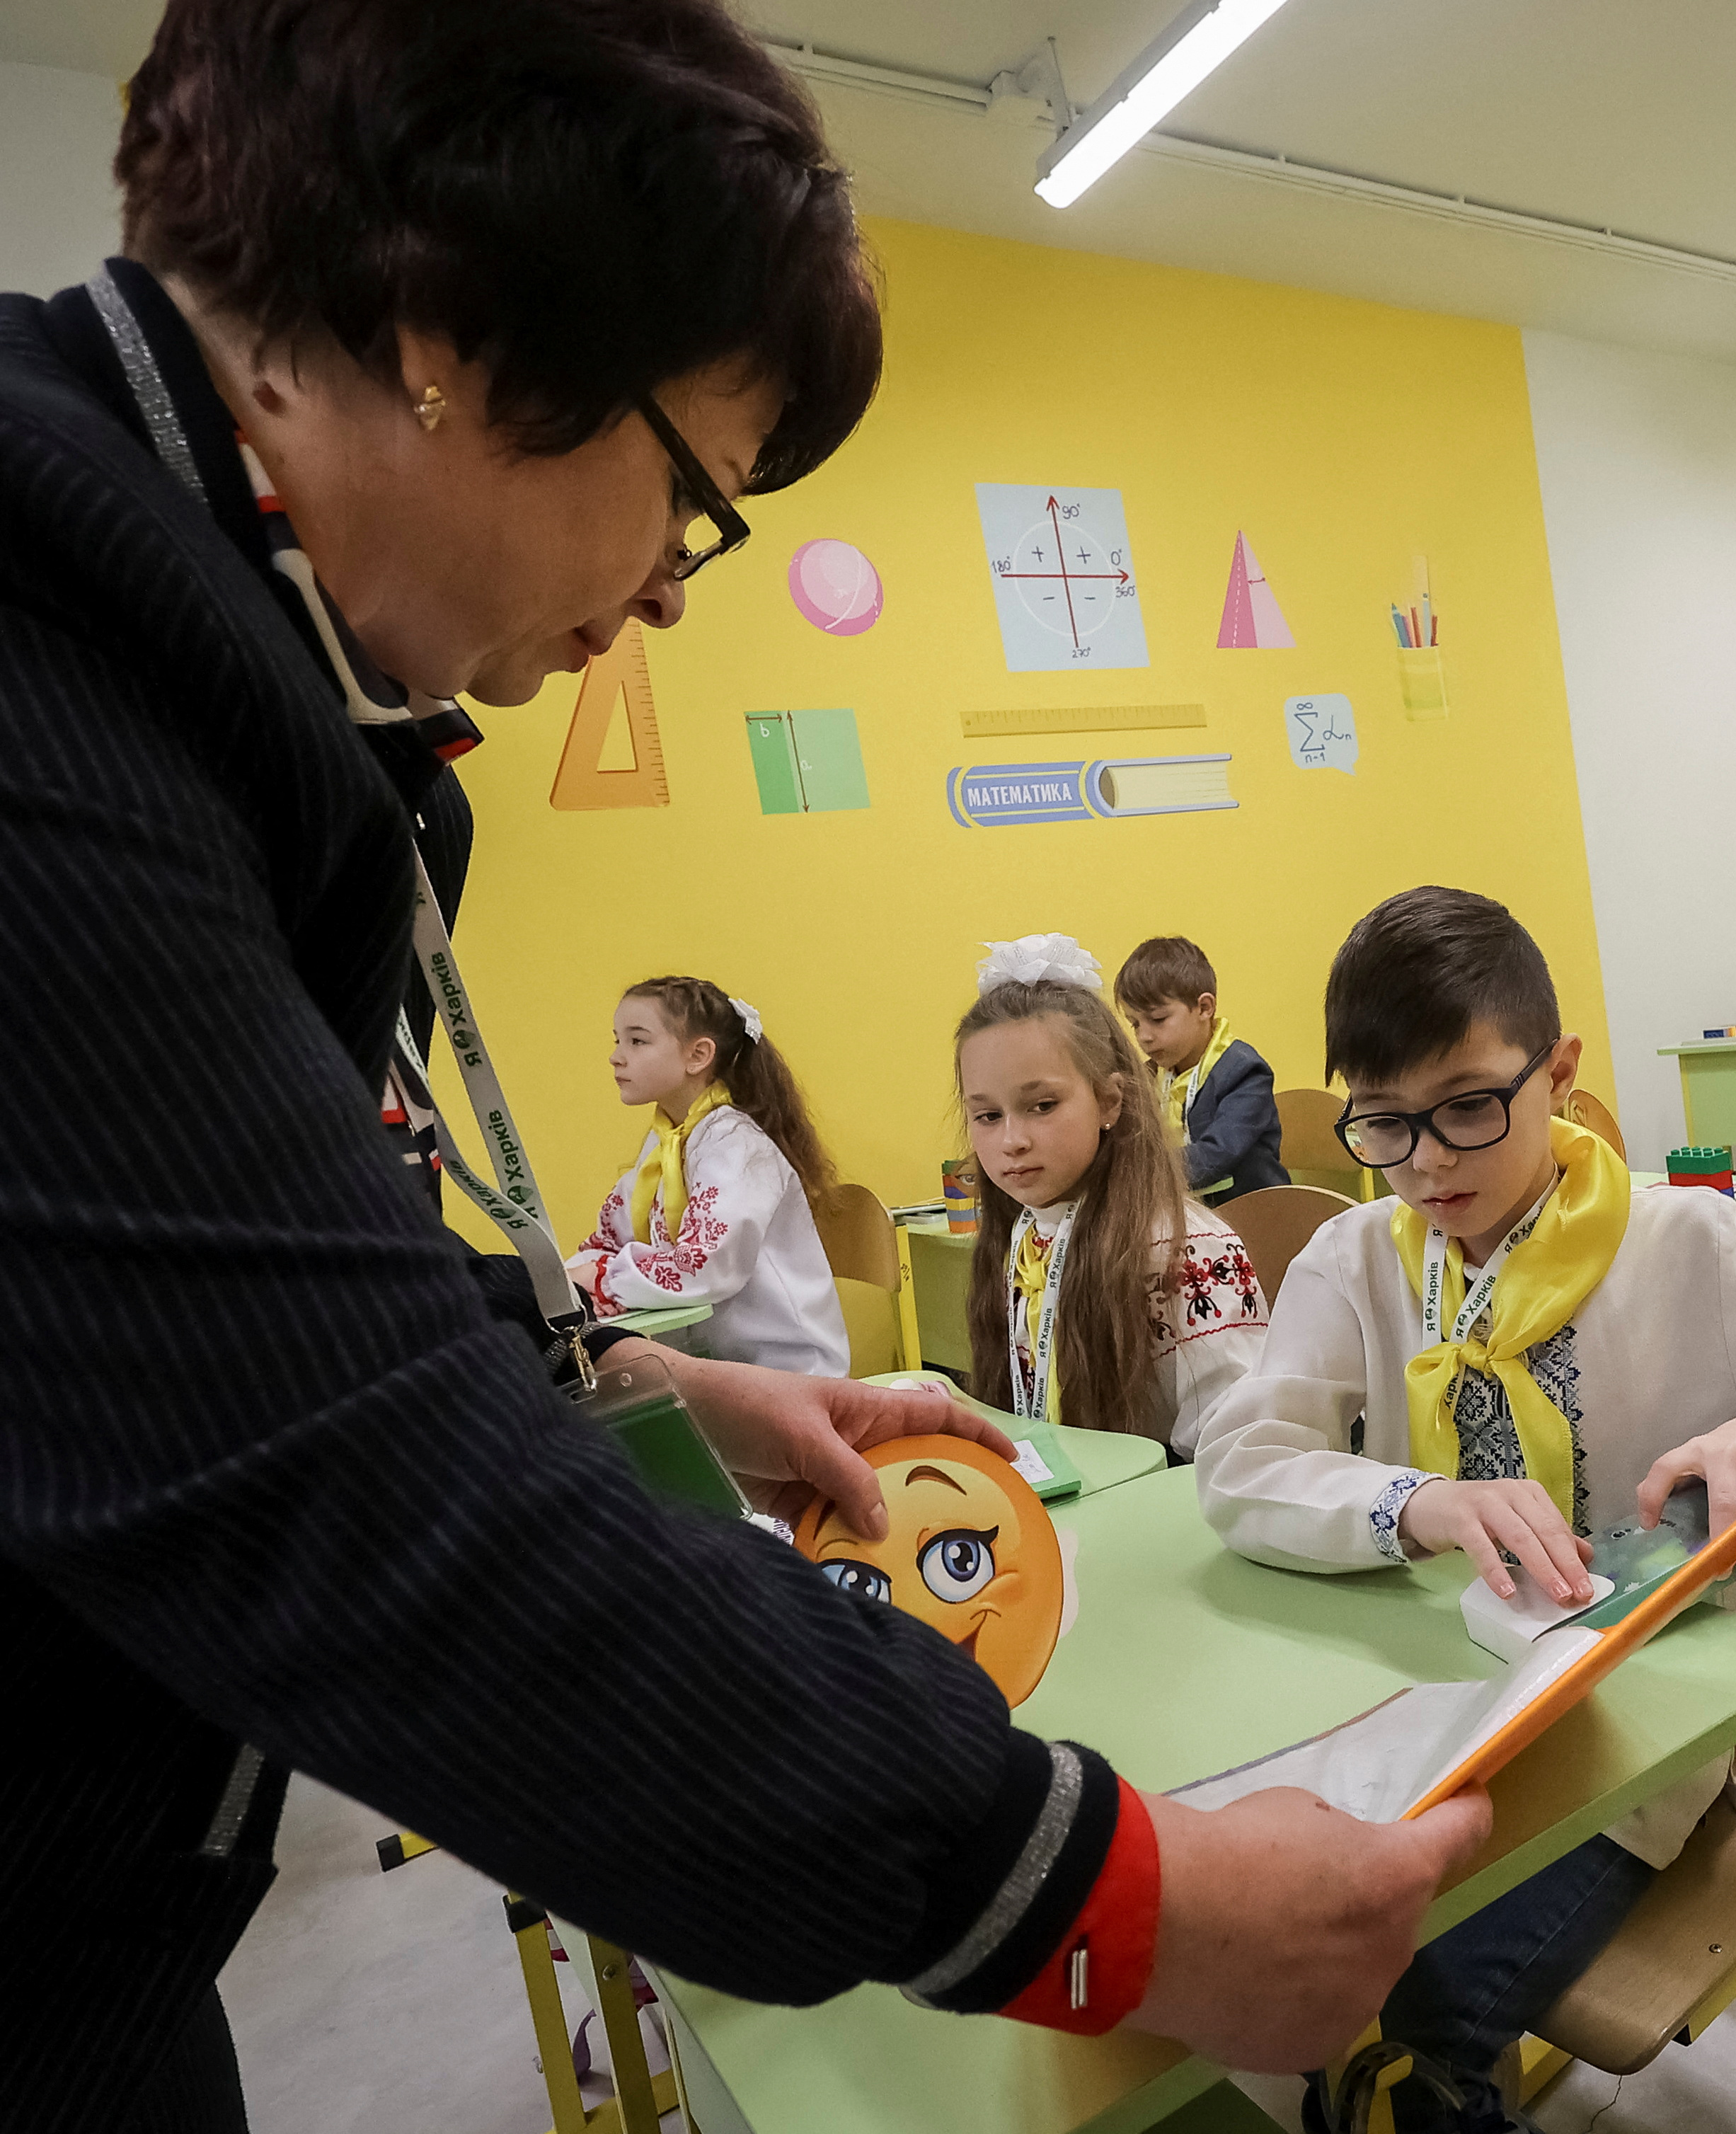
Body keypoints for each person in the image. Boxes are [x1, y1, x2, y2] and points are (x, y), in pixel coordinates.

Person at [0, 8, 1477, 2126]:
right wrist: (1110, 1898)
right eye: (692, 497)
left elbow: (248, 1287)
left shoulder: (196, 649)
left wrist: (656, 1381)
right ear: (447, 325)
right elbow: (355, 1493)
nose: (668, 600)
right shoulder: (47, 632)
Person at [1195, 887, 1736, 2134]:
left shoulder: (1681, 1245)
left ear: (1558, 1072)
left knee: (1423, 2006)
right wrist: (1416, 1503)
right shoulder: (1361, 1258)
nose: (1429, 1164)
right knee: (1293, 1963)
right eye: (1386, 1126)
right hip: (1422, 1709)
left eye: (1468, 1108)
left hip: (1637, 1741)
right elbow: (1239, 1459)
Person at [960, 934, 1268, 1457]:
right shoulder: (1024, 1233)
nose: (1011, 1140)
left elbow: (1240, 1448)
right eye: (987, 1115)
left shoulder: (1184, 1247)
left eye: (1042, 1105)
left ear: (1109, 1101)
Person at [568, 975, 850, 1375]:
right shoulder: (667, 1138)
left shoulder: (737, 1146)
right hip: (721, 1364)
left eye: (637, 1041)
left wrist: (603, 1280)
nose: (616, 1056)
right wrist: (567, 1279)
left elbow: (706, 1264)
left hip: (790, 1371)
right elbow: (611, 1237)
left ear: (698, 1055)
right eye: (617, 1040)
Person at [1117, 934, 1290, 1207]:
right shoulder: (1150, 1075)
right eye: (1135, 1024)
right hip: (1187, 1213)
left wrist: (1142, 1174)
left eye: (1158, 1019)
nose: (1144, 1037)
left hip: (1253, 1216)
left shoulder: (1245, 1072)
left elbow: (1218, 1153)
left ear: (1204, 1008)